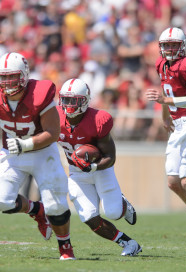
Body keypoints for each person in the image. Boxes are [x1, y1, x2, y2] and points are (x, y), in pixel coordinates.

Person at [0, 52, 76, 260]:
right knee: (1, 200)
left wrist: (26, 143)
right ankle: (37, 211)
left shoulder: (39, 95)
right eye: (2, 77)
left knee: (56, 204)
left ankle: (65, 247)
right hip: (12, 153)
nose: (6, 82)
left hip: (42, 152)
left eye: (11, 76)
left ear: (24, 75)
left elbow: (53, 133)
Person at [57, 78, 142, 256]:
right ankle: (128, 243)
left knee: (113, 212)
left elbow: (111, 156)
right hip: (76, 172)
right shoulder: (54, 117)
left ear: (85, 100)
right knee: (88, 216)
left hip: (101, 170)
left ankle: (123, 205)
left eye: (75, 100)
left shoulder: (98, 119)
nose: (69, 104)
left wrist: (93, 167)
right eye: (66, 99)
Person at [146, 27, 186, 251]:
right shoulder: (161, 64)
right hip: (177, 123)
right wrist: (165, 115)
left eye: (174, 45)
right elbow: (167, 91)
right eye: (167, 45)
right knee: (173, 182)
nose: (170, 49)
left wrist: (163, 101)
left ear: (183, 45)